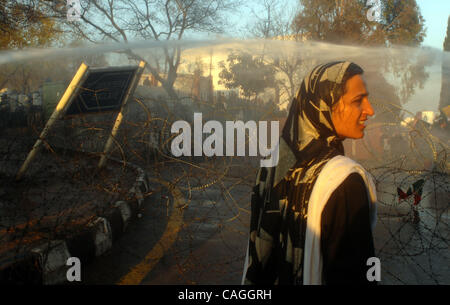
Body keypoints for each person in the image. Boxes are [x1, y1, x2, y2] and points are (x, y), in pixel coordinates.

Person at [242, 61, 377, 285]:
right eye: (357, 100)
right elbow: (360, 274)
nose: (369, 110)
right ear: (323, 105)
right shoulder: (344, 180)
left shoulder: (274, 163)